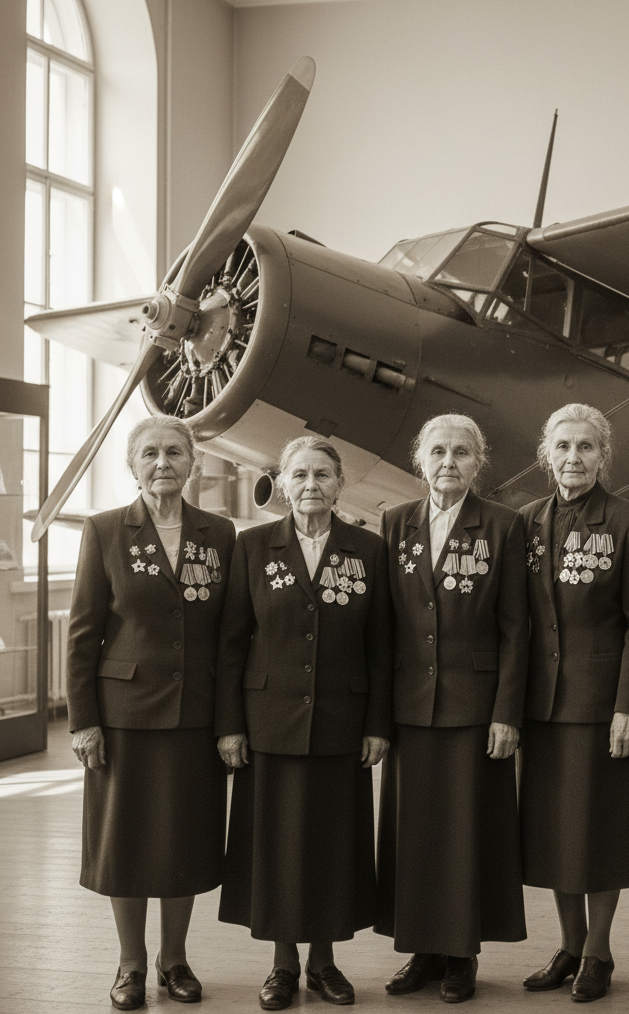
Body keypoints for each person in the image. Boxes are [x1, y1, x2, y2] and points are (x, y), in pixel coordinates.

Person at [215, 436, 391, 1010]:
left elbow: (382, 646)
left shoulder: (368, 548)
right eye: (299, 475)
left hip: (343, 722)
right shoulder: (252, 546)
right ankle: (283, 965)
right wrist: (230, 724)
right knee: (277, 848)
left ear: (340, 484)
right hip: (270, 723)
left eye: (322, 475)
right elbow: (232, 642)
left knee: (332, 845)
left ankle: (325, 963)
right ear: (283, 484)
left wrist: (377, 723)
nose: (310, 485)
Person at [66, 415, 236, 1010]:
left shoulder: (221, 534)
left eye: (173, 453)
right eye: (150, 455)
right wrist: (83, 720)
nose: (162, 463)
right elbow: (84, 634)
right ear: (132, 466)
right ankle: (130, 965)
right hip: (123, 718)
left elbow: (228, 635)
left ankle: (176, 960)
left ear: (193, 464)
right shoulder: (105, 530)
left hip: (195, 716)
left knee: (182, 842)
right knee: (128, 844)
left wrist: (229, 720)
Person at [375, 413, 529, 1004]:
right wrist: (381, 719)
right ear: (421, 460)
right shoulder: (395, 523)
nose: (449, 462)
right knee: (416, 835)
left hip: (475, 707)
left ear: (477, 462)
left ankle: (461, 954)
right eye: (438, 451)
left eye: (461, 453)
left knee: (467, 834)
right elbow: (386, 628)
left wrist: (506, 712)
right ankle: (422, 951)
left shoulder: (503, 526)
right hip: (412, 707)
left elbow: (517, 629)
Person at [518, 404, 629, 1002]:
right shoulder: (525, 520)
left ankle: (598, 953)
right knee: (556, 835)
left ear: (603, 457)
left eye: (585, 448)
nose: (572, 458)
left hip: (602, 707)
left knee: (599, 835)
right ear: (547, 454)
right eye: (562, 447)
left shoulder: (628, 522)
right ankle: (569, 946)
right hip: (543, 706)